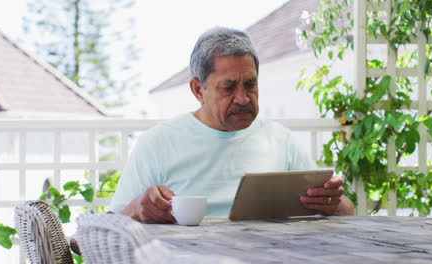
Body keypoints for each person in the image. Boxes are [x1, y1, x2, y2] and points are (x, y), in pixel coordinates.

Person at [109, 27, 354, 223]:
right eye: (228, 87)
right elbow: (109, 225)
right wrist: (136, 210)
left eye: (250, 84)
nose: (243, 98)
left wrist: (334, 204)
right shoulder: (157, 143)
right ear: (198, 90)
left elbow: (347, 211)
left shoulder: (280, 140)